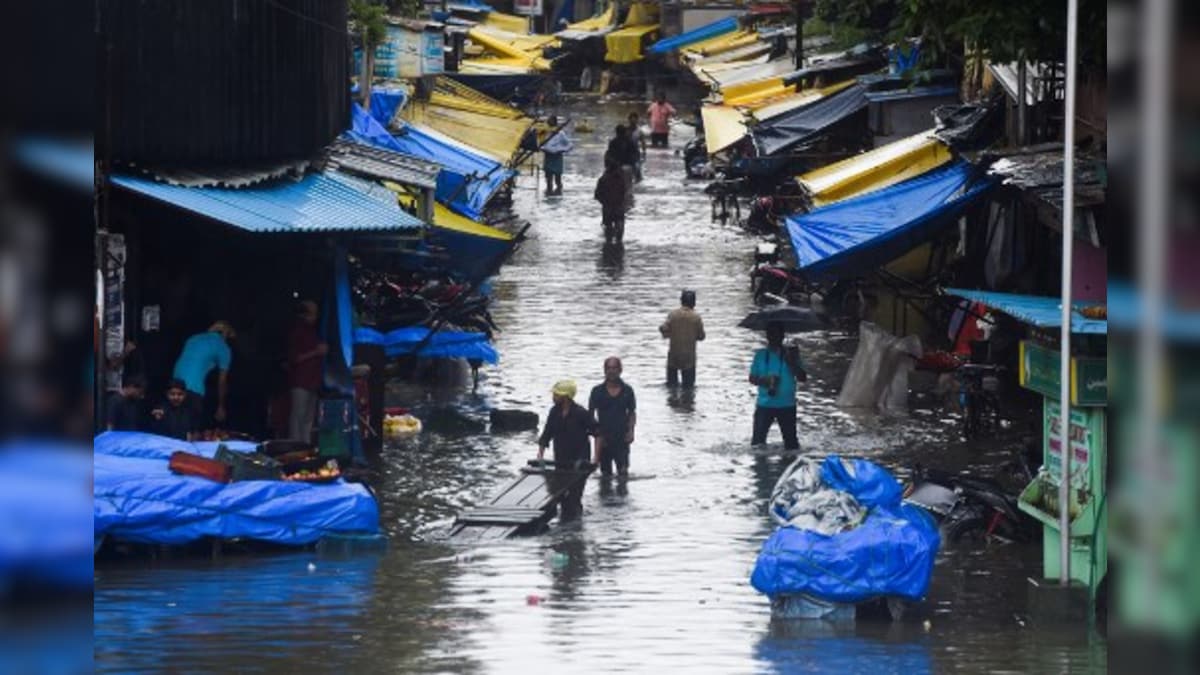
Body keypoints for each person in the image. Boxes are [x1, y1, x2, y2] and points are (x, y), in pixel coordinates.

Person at [537, 380, 599, 522]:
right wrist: (540, 455)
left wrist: (596, 458)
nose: (553, 397)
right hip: (561, 459)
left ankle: (576, 526)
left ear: (565, 397)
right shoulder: (554, 412)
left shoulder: (581, 413)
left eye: (556, 394)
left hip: (580, 462)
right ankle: (566, 528)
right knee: (559, 495)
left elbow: (598, 433)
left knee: (575, 497)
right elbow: (547, 434)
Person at [749, 324, 808, 450]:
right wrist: (765, 381)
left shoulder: (792, 355)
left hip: (787, 405)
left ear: (782, 336)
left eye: (777, 334)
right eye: (771, 334)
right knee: (757, 444)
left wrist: (791, 362)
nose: (774, 337)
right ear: (767, 336)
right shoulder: (760, 355)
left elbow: (802, 378)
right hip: (764, 405)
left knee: (792, 445)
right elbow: (752, 378)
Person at [172, 320, 235, 425]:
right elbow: (222, 382)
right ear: (225, 335)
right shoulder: (223, 348)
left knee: (173, 427)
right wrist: (221, 406)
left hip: (173, 385)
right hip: (192, 389)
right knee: (190, 431)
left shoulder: (193, 338)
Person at [588, 357, 637, 478]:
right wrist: (596, 434)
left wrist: (631, 431)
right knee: (605, 475)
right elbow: (590, 414)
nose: (611, 371)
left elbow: (632, 412)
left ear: (620, 370)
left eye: (614, 368)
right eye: (608, 368)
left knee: (623, 473)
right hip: (604, 439)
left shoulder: (627, 390)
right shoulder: (597, 391)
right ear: (604, 370)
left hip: (622, 437)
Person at [286, 300, 328, 443]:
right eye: (313, 314)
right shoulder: (297, 331)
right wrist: (316, 352)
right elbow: (294, 358)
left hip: (313, 380)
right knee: (299, 416)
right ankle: (295, 446)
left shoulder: (313, 332)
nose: (315, 317)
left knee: (308, 418)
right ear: (304, 315)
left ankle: (305, 446)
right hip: (301, 380)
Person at [659, 290, 706, 387]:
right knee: (688, 388)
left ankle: (673, 402)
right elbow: (701, 336)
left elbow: (663, 328)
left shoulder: (673, 315)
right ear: (694, 302)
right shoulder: (696, 317)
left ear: (681, 301)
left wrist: (668, 334)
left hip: (673, 356)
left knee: (671, 386)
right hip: (689, 358)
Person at [594, 159, 629, 244]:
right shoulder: (621, 179)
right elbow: (625, 192)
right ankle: (619, 244)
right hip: (618, 207)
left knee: (608, 230)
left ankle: (609, 248)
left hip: (607, 208)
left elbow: (597, 195)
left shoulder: (603, 179)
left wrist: (604, 202)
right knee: (619, 225)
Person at [604, 125, 637, 211]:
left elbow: (609, 155)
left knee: (616, 187)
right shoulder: (630, 141)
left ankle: (620, 204)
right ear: (625, 132)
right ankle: (628, 205)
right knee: (628, 188)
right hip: (628, 167)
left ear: (616, 132)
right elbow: (635, 154)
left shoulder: (613, 142)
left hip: (616, 168)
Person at [541, 115, 573, 196]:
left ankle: (559, 191)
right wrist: (543, 148)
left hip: (557, 157)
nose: (549, 123)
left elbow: (570, 145)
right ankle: (549, 192)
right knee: (548, 179)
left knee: (558, 179)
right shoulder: (545, 132)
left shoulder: (560, 133)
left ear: (555, 123)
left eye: (551, 121)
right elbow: (540, 144)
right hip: (548, 156)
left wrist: (561, 150)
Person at [626, 112, 645, 182]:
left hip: (636, 152)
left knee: (637, 168)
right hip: (627, 152)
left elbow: (643, 142)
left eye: (635, 119)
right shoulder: (625, 130)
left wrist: (644, 152)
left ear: (637, 120)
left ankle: (638, 180)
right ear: (629, 120)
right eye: (631, 119)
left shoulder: (639, 131)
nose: (633, 121)